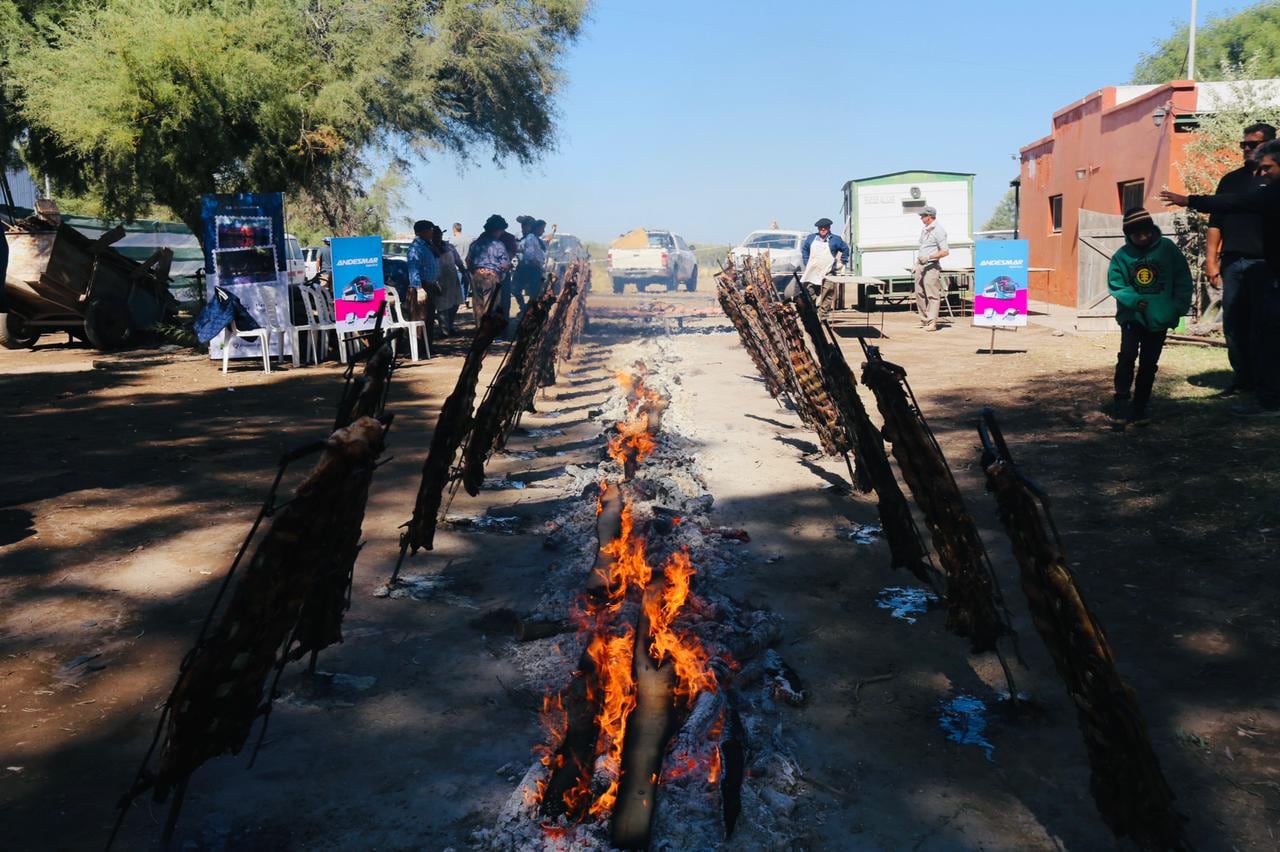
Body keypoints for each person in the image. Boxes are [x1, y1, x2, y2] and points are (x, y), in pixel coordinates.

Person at [1161, 138, 1280, 415]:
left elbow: (1238, 201)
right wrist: (1191, 201)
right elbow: (1232, 203)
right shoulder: (1267, 191)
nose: (1262, 174)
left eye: (1268, 168)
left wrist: (1189, 200)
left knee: (1269, 335)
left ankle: (1272, 399)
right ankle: (1260, 390)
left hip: (1269, 271)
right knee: (1258, 330)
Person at [1205, 122, 1273, 397]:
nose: (1246, 148)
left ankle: (1265, 383)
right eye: (1243, 144)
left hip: (1267, 264)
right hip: (1233, 262)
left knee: (1265, 323)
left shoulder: (1276, 180)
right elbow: (1215, 222)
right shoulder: (1231, 180)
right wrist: (1212, 260)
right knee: (1234, 322)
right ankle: (1242, 380)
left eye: (1252, 144)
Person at [1106, 208, 1193, 425]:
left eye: (1146, 233)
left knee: (1148, 363)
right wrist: (1134, 300)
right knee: (1127, 356)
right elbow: (1116, 284)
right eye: (1137, 235)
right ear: (1129, 235)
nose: (1143, 238)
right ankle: (1122, 399)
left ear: (1152, 229)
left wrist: (1177, 307)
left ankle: (1140, 406)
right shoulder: (1122, 257)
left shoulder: (1168, 250)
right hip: (1132, 317)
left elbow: (1183, 278)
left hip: (1159, 318)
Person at [466, 214, 513, 328]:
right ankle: (487, 332)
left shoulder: (475, 244)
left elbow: (468, 260)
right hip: (492, 277)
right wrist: (506, 269)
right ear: (498, 230)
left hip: (476, 276)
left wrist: (475, 271)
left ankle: (479, 330)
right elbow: (505, 264)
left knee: (478, 305)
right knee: (491, 305)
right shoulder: (498, 245)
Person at [798, 217, 850, 317]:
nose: (822, 229)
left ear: (829, 227)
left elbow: (845, 249)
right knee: (809, 293)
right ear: (818, 228)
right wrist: (806, 261)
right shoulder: (811, 238)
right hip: (813, 272)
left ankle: (823, 316)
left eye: (824, 227)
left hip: (828, 272)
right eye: (820, 228)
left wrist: (843, 261)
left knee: (827, 294)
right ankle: (810, 314)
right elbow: (805, 249)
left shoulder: (835, 239)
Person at [914, 206, 949, 332]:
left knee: (932, 294)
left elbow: (945, 251)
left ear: (929, 216)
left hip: (931, 266)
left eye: (923, 216)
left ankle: (932, 322)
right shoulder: (925, 230)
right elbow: (922, 248)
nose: (921, 218)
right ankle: (924, 319)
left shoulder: (938, 230)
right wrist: (916, 263)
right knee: (919, 292)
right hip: (921, 265)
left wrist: (929, 257)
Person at [407, 220, 441, 348]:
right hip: (421, 287)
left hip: (430, 285)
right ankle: (419, 348)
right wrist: (419, 288)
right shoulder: (416, 248)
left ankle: (428, 346)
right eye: (430, 229)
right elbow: (413, 268)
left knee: (429, 318)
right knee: (420, 318)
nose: (432, 232)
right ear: (423, 232)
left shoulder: (428, 245)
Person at [432, 225, 465, 336]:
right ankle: (444, 329)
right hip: (439, 280)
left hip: (452, 278)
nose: (438, 236)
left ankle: (450, 326)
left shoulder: (449, 246)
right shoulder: (429, 248)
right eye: (435, 235)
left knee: (455, 303)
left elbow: (458, 261)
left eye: (439, 234)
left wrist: (464, 271)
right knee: (442, 305)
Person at [451, 222, 471, 304]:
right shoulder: (469, 239)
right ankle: (465, 300)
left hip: (457, 266)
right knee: (466, 285)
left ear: (454, 229)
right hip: (467, 265)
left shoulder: (452, 241)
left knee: (459, 286)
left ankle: (460, 302)